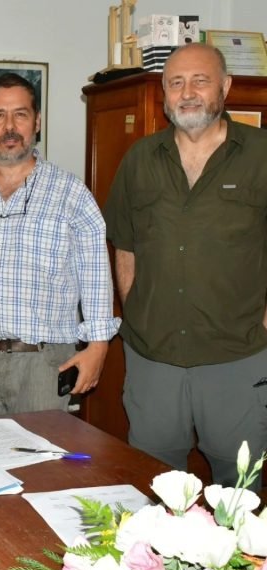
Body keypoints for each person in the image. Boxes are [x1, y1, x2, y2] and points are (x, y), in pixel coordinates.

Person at [104, 43, 267, 488]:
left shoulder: (260, 154)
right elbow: (125, 244)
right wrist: (135, 306)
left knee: (239, 496)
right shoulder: (140, 159)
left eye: (200, 80)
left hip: (236, 359)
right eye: (176, 82)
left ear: (226, 87)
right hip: (153, 360)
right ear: (164, 94)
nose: (188, 92)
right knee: (151, 489)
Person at [0, 72, 120, 419]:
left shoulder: (71, 194)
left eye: (20, 114)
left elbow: (95, 274)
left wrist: (99, 346)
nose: (9, 126)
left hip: (44, 364)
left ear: (37, 121)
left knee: (41, 467)